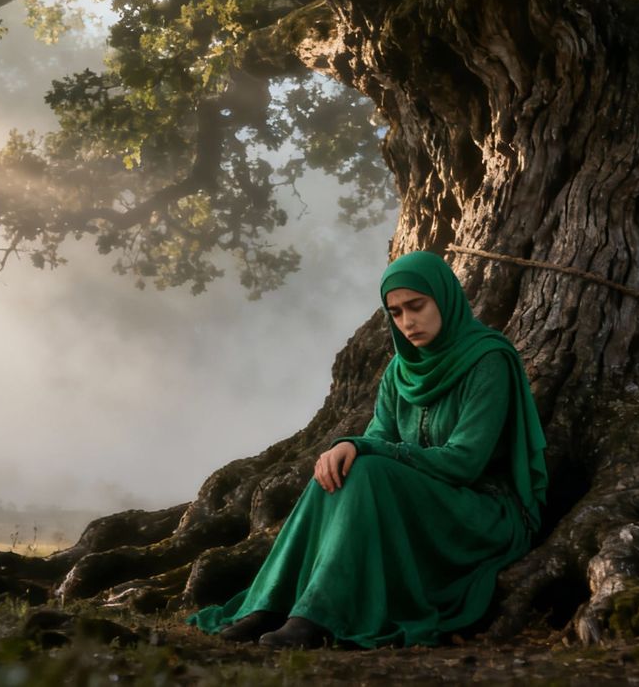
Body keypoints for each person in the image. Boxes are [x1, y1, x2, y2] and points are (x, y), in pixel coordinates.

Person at [188, 251, 548, 648]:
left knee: (369, 468)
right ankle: (271, 604)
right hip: (419, 505)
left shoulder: (488, 360)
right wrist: (347, 446)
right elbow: (379, 437)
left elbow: (464, 462)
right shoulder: (400, 370)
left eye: (416, 306)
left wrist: (362, 447)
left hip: (481, 512)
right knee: (337, 470)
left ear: (444, 299)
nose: (407, 322)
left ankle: (314, 616)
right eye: (395, 312)